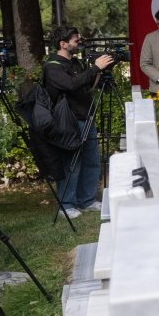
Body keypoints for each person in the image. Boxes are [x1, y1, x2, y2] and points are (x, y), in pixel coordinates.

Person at [45, 26, 114, 217]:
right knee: (72, 164)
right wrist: (94, 68)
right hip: (69, 121)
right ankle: (66, 205)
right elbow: (70, 85)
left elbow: (85, 86)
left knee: (92, 161)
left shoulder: (75, 63)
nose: (78, 43)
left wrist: (98, 72)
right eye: (75, 40)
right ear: (63, 43)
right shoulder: (52, 66)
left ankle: (87, 200)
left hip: (86, 116)